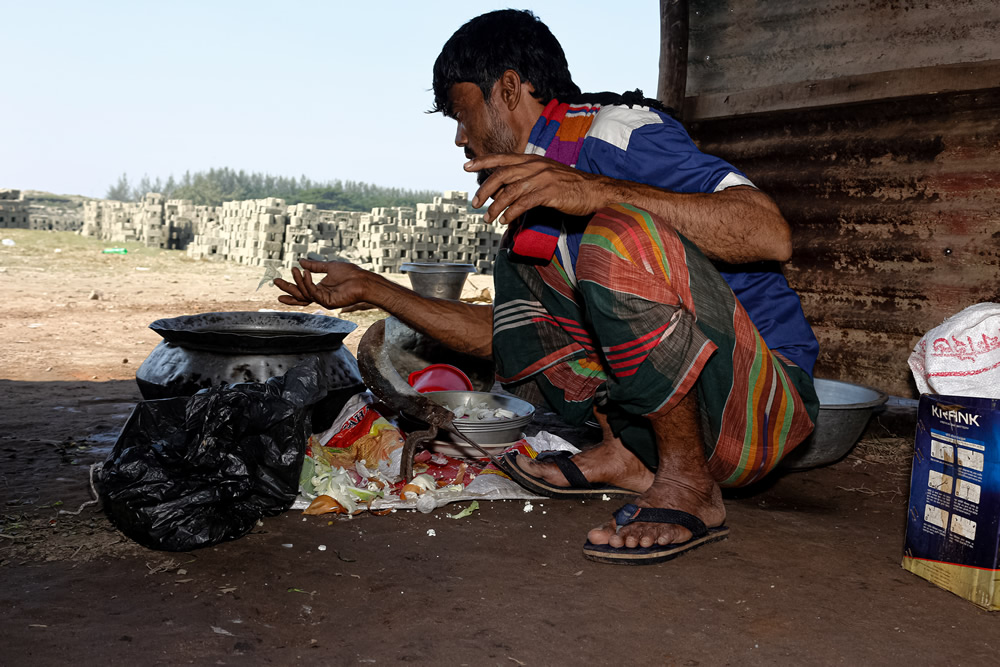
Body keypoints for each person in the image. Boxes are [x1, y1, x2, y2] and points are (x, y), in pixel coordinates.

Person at [275, 9, 819, 565]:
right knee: (524, 258)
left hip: (759, 409)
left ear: (508, 88)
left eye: (462, 116)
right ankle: (623, 454)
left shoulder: (615, 133)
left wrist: (596, 193)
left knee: (614, 234)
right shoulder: (538, 187)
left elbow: (769, 233)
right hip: (667, 430)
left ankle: (689, 486)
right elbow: (502, 337)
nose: (461, 139)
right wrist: (375, 289)